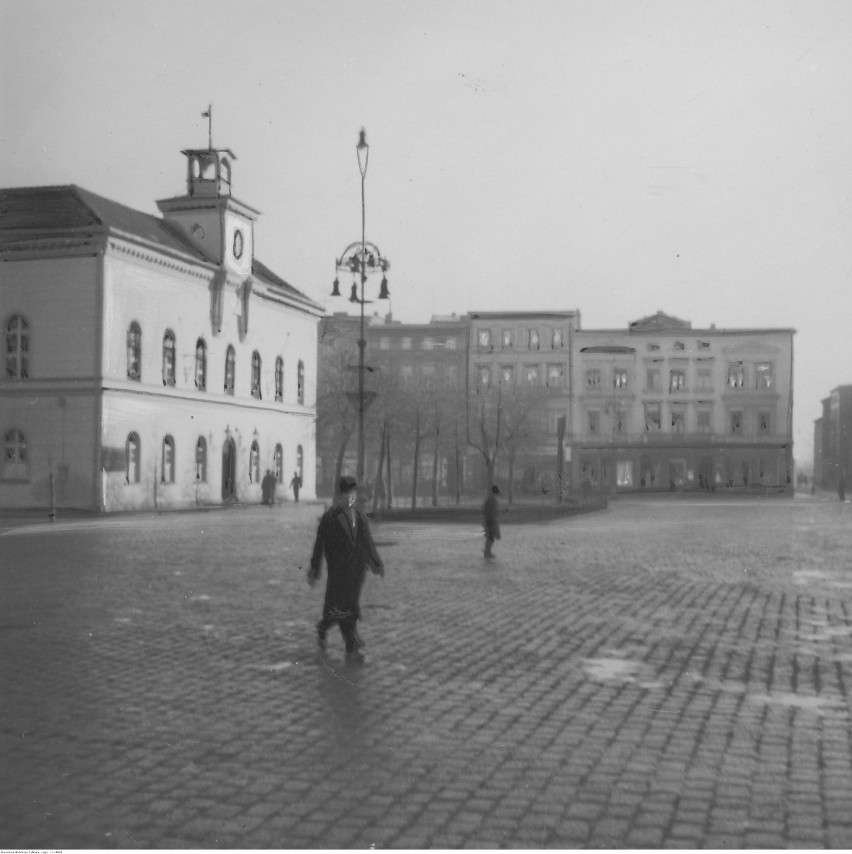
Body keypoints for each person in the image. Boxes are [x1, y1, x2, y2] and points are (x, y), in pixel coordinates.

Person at [307, 476, 384, 661]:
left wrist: (376, 563)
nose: (353, 497)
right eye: (349, 494)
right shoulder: (329, 518)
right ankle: (352, 648)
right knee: (344, 609)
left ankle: (324, 628)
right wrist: (314, 569)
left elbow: (368, 543)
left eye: (354, 494)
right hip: (339, 572)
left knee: (347, 608)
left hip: (357, 571)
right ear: (340, 496)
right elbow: (319, 545)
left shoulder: (359, 517)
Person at [482, 484, 501, 559]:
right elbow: (490, 510)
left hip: (490, 520)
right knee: (490, 537)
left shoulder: (490, 499)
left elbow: (485, 509)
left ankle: (487, 551)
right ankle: (487, 552)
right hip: (491, 521)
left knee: (490, 537)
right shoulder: (492, 499)